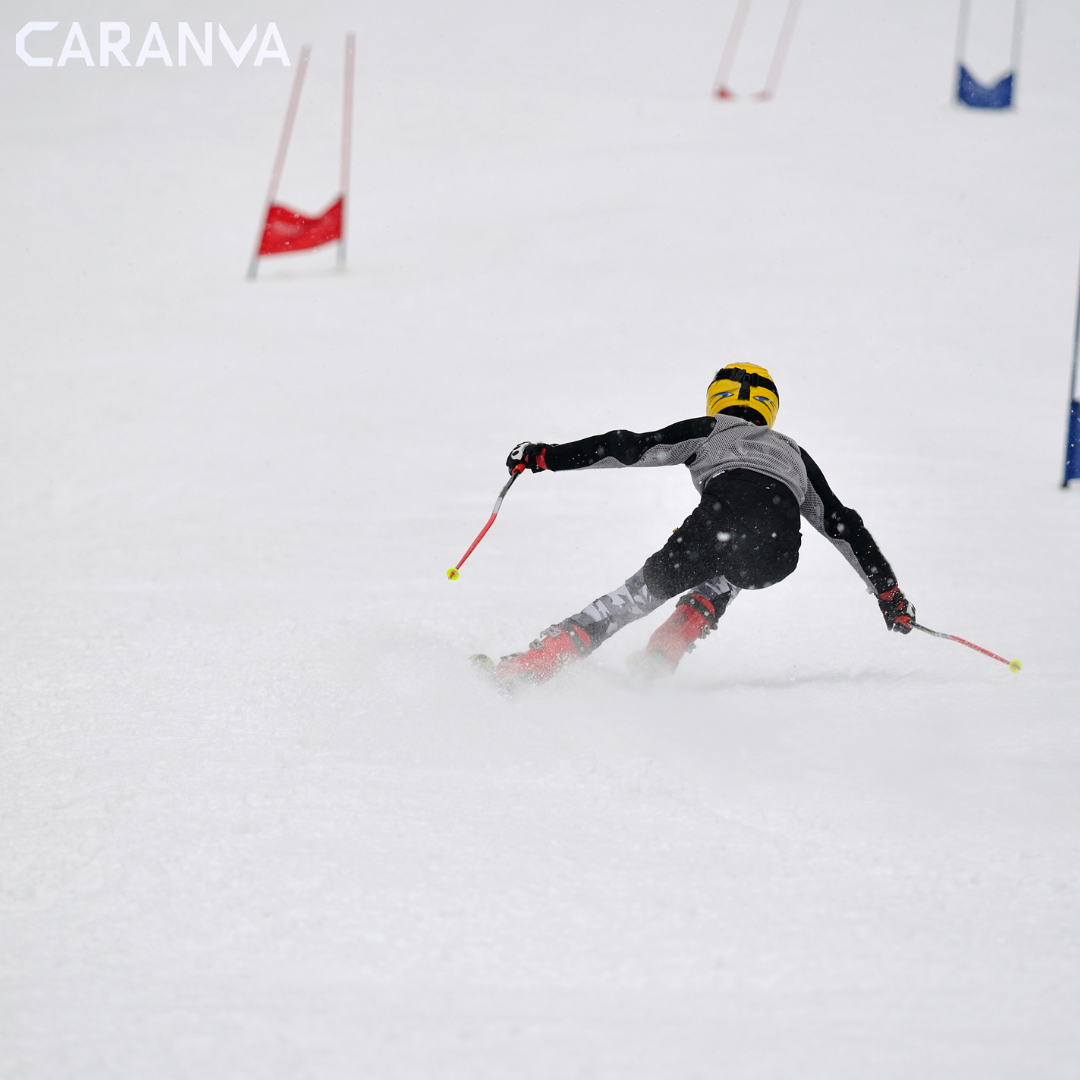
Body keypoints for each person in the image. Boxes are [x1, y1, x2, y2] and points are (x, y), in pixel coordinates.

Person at [475, 363, 914, 689]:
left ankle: (534, 665)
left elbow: (627, 447)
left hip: (714, 529)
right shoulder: (795, 454)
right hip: (778, 556)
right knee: (739, 558)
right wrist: (889, 594)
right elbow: (845, 526)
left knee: (634, 598)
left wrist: (545, 457)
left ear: (717, 399)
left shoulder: (713, 429)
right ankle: (672, 641)